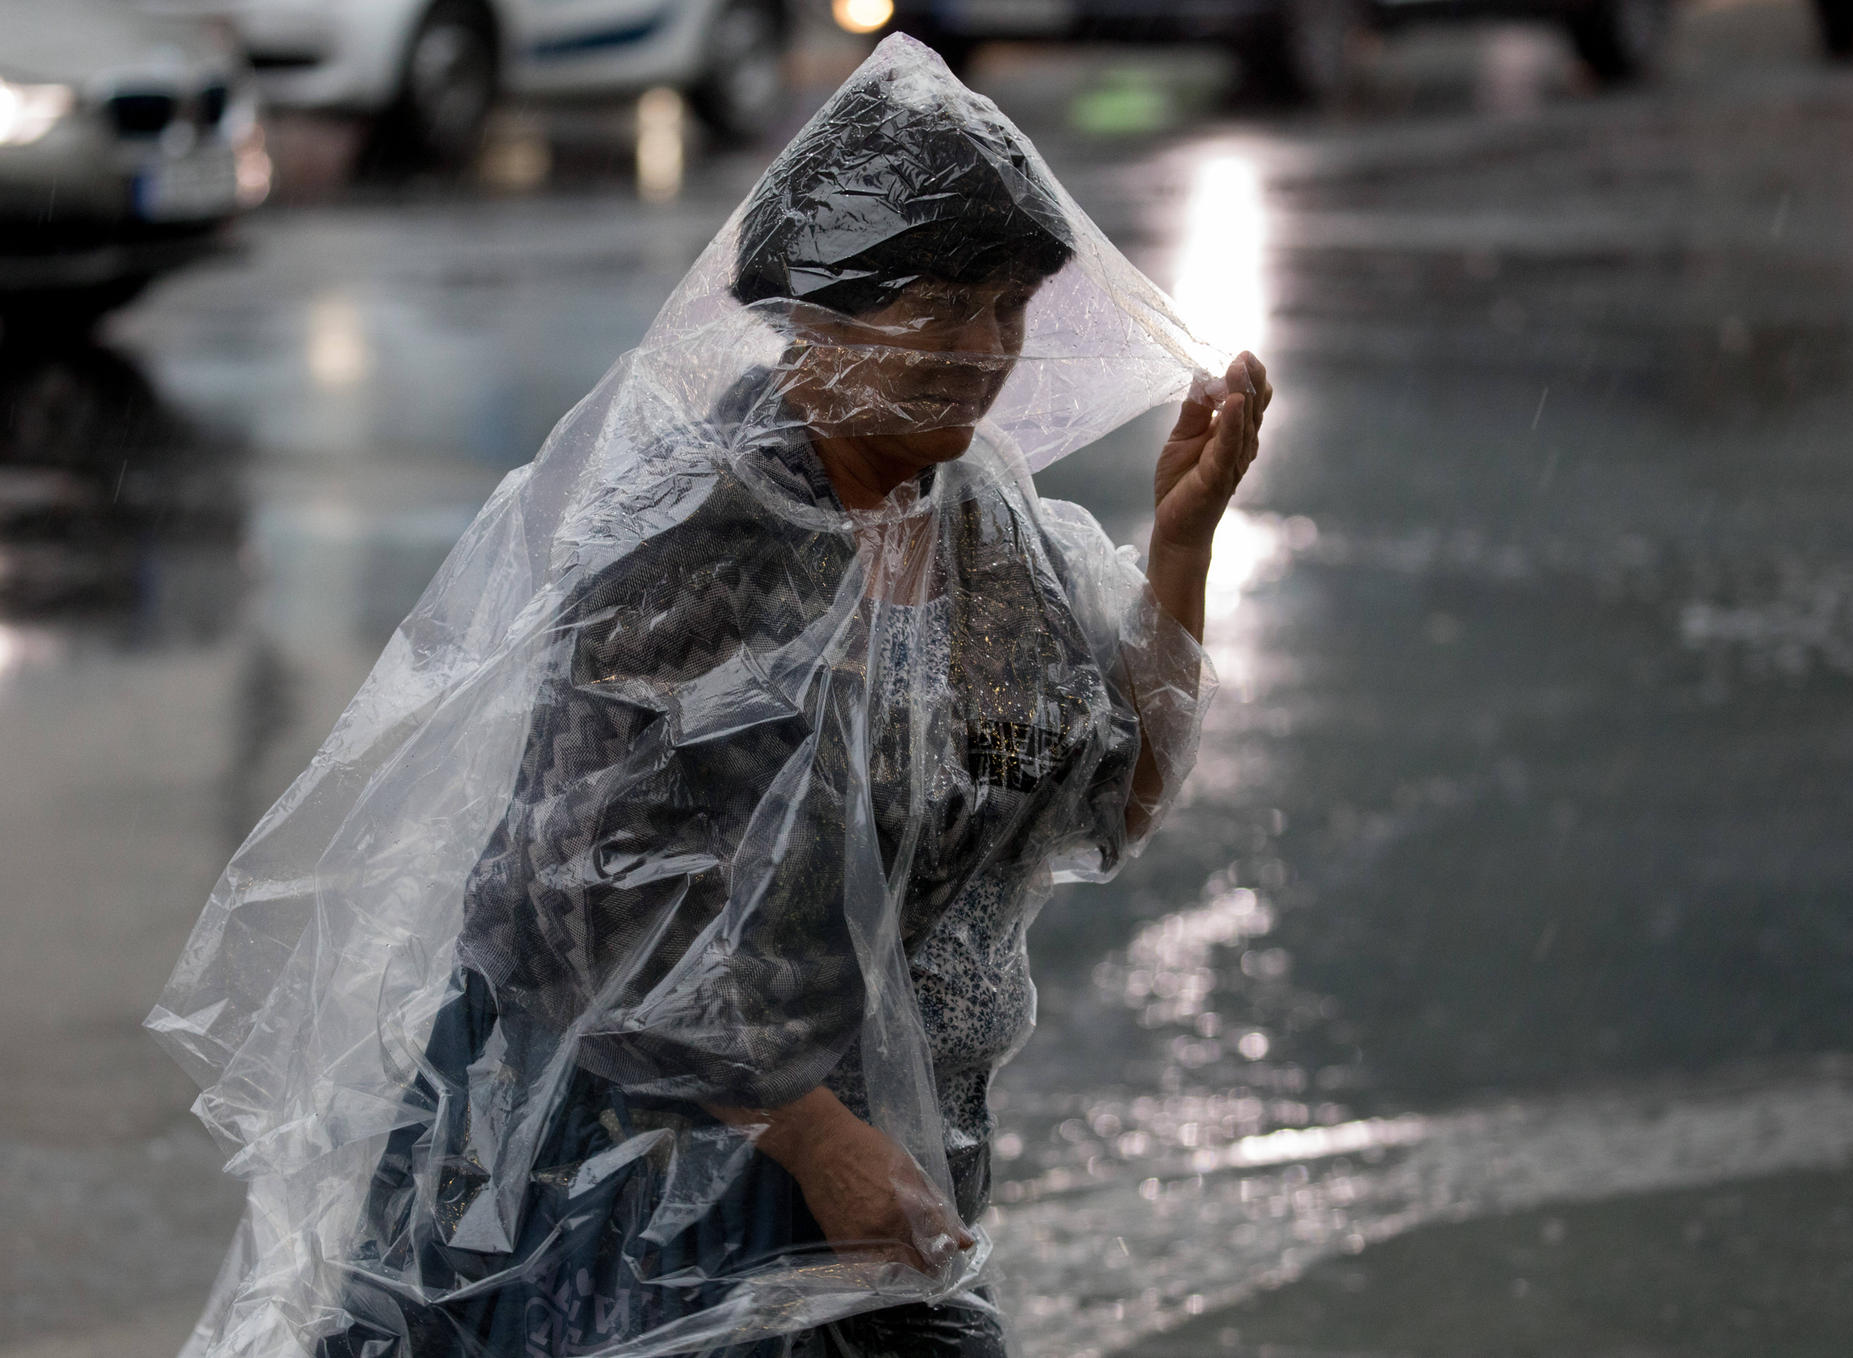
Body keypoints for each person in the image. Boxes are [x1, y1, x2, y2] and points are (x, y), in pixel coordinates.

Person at [150, 35, 1270, 1358]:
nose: (984, 352)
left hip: (884, 1185)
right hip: (627, 1193)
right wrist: (816, 1136)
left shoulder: (986, 533)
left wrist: (1181, 549)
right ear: (818, 312)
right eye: (943, 306)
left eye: (1008, 311)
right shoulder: (688, 538)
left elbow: (1105, 800)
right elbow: (574, 903)